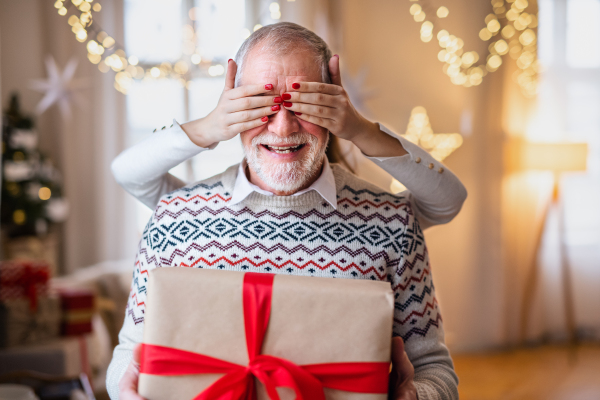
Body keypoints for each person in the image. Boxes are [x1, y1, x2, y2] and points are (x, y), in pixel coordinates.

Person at [107, 22, 466, 400]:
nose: (282, 127)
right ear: (234, 107)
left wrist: (417, 396)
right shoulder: (174, 217)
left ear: (334, 105)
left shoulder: (393, 223)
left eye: (305, 104)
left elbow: (433, 369)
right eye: (260, 105)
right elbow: (129, 358)